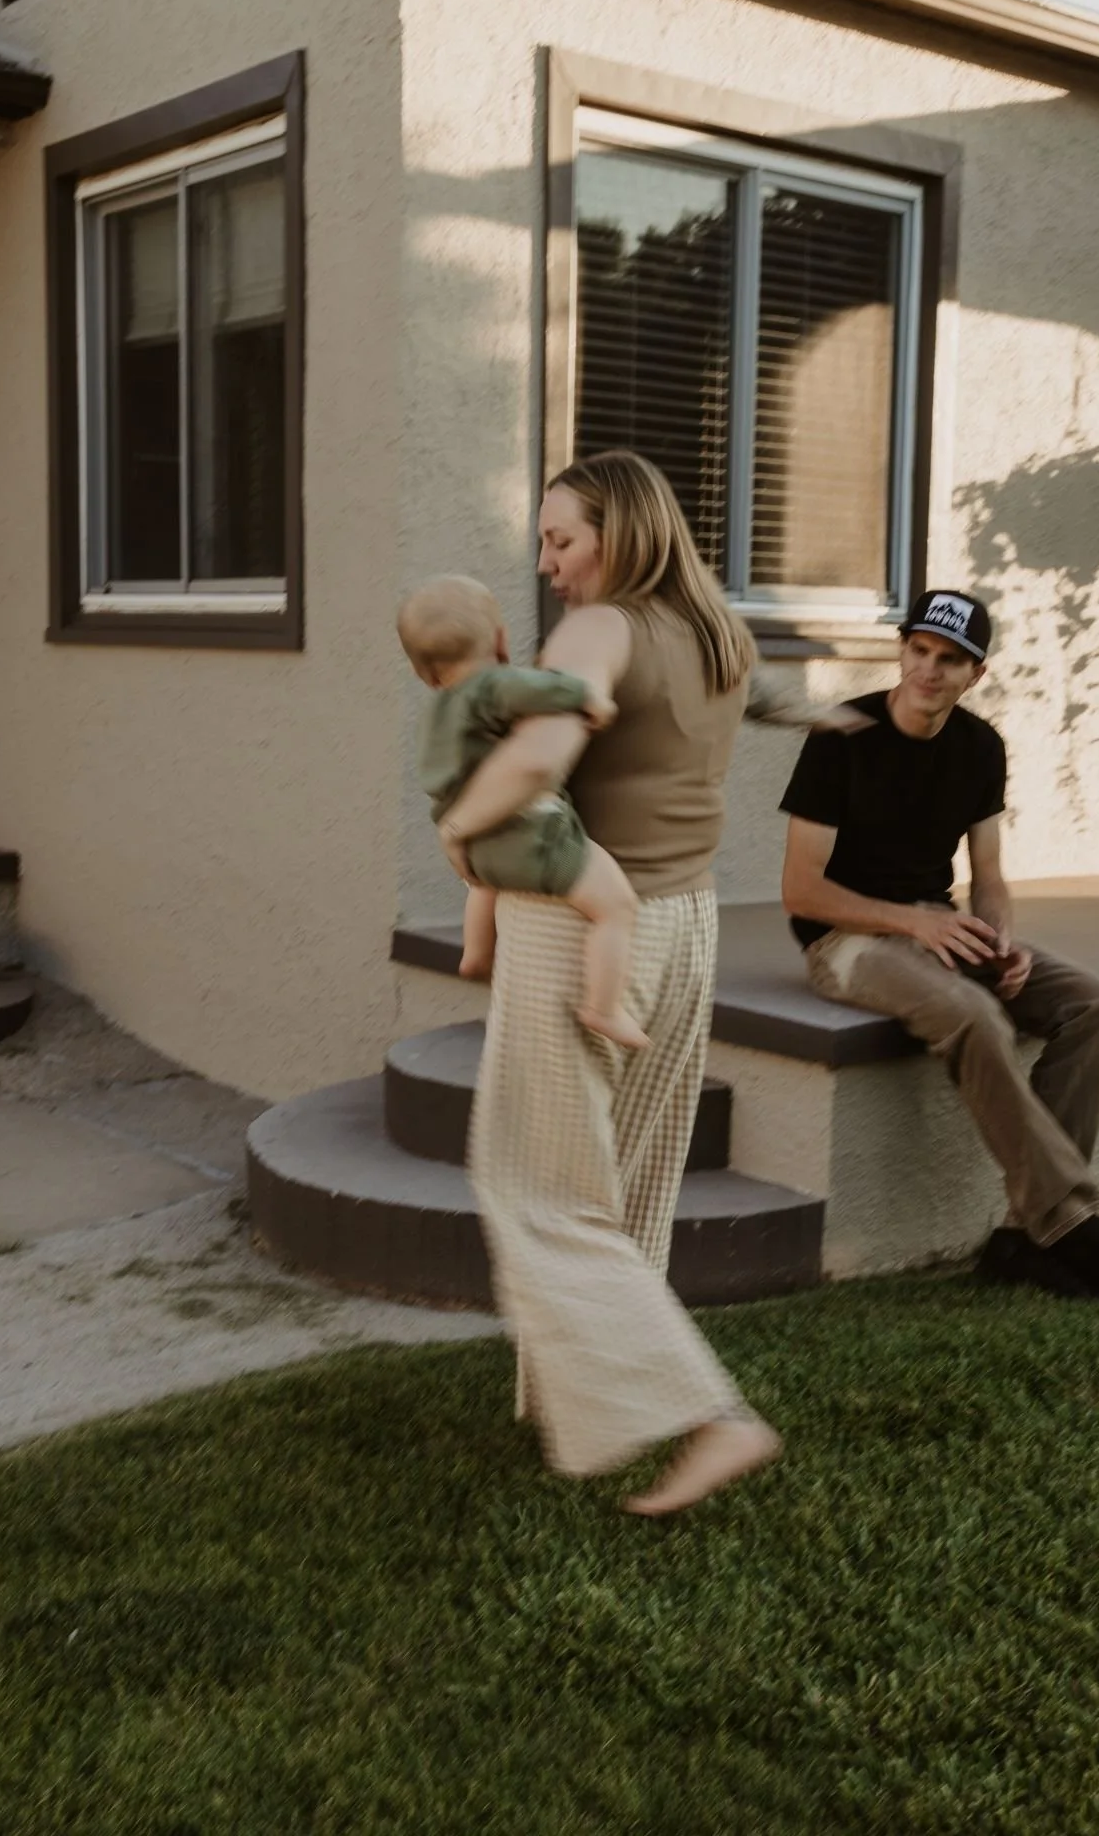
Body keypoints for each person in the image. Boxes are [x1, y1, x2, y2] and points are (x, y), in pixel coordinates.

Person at [435, 449, 782, 1514]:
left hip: (570, 922)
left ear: (620, 535)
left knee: (532, 1181)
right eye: (542, 540)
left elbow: (541, 755)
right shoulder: (719, 630)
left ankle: (709, 1417)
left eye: (563, 539)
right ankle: (572, 1403)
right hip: (677, 920)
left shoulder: (600, 628)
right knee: (626, 1179)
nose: (547, 564)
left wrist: (458, 824)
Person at [779, 588, 1099, 1300]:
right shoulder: (841, 736)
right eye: (919, 651)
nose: (928, 671)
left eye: (949, 660)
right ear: (902, 650)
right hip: (846, 938)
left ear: (976, 675)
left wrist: (1000, 938)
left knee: (1096, 1006)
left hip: (941, 926)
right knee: (974, 1018)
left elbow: (989, 876)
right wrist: (913, 923)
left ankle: (1021, 1238)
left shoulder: (979, 746)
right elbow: (801, 892)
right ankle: (1073, 1229)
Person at [399, 573, 648, 1051]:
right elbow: (540, 690)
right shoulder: (492, 685)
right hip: (529, 834)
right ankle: (603, 1007)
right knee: (616, 907)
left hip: (476, 851)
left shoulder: (435, 711)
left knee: (484, 883)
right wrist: (588, 698)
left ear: (423, 673)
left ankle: (474, 955)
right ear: (500, 639)